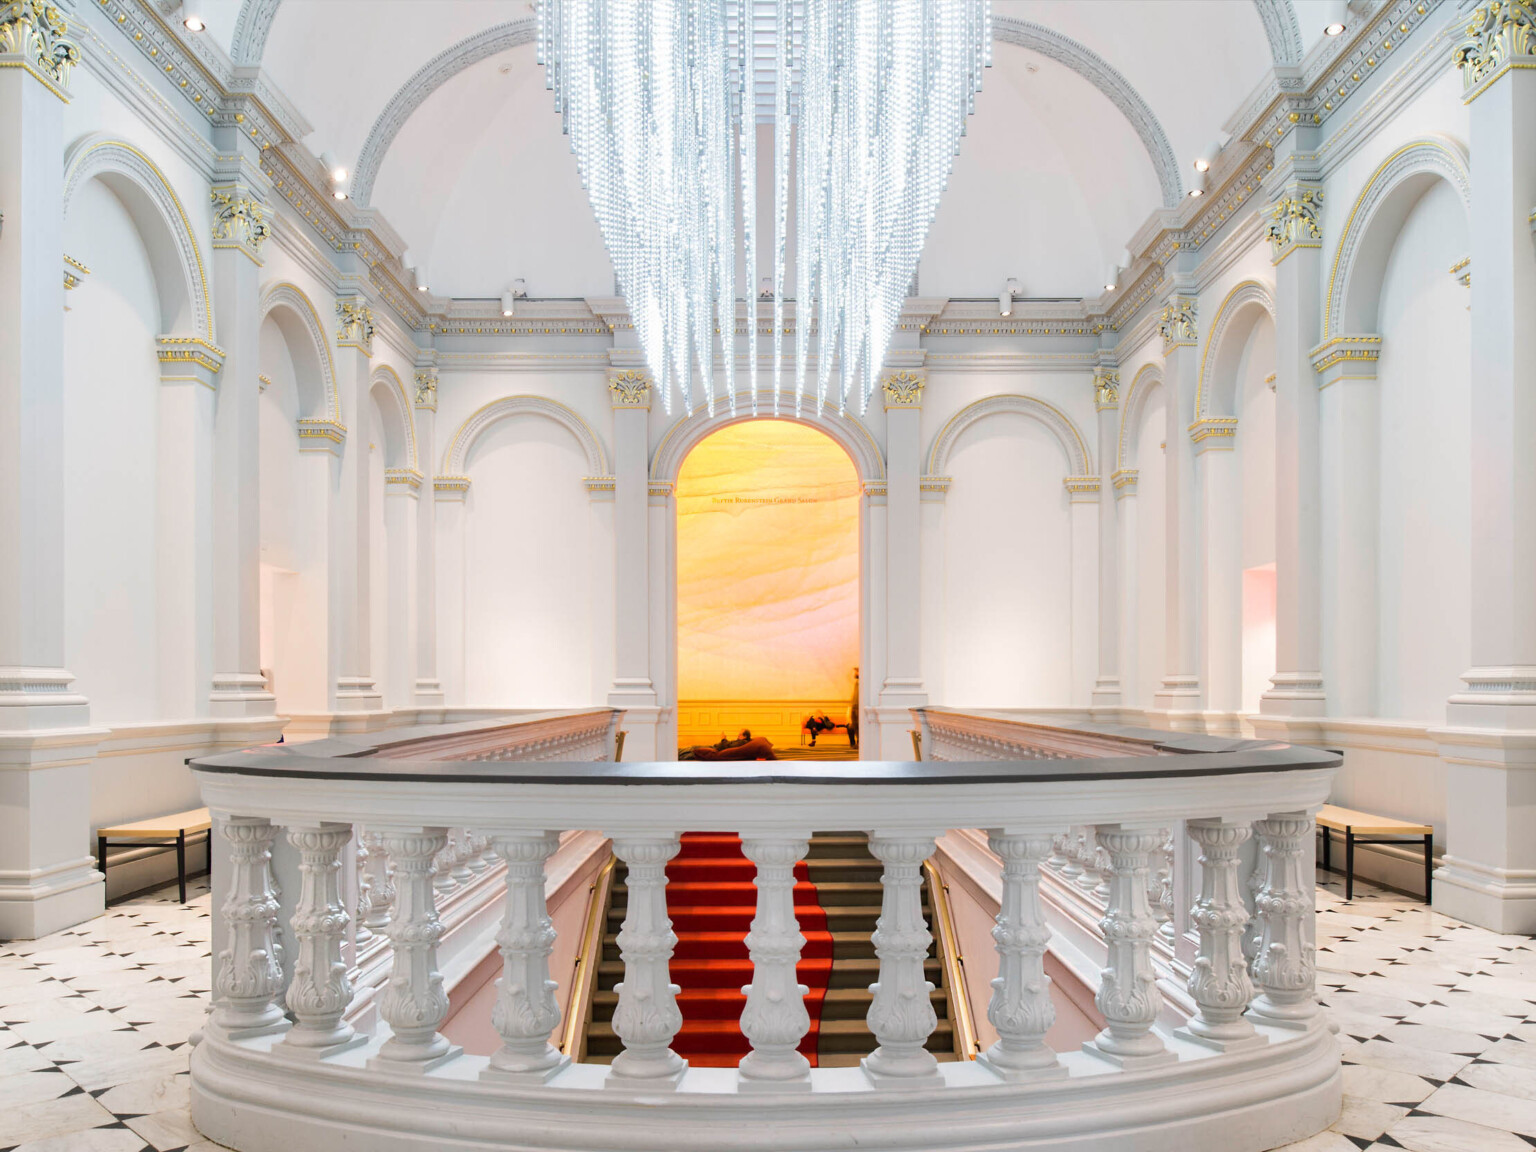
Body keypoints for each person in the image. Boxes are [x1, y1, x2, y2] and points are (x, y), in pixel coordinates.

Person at [848, 667, 860, 750]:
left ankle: (860, 742)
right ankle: (858, 742)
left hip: (859, 707)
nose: (855, 673)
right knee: (854, 725)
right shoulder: (857, 682)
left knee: (860, 725)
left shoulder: (864, 682)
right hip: (854, 706)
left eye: (857, 671)